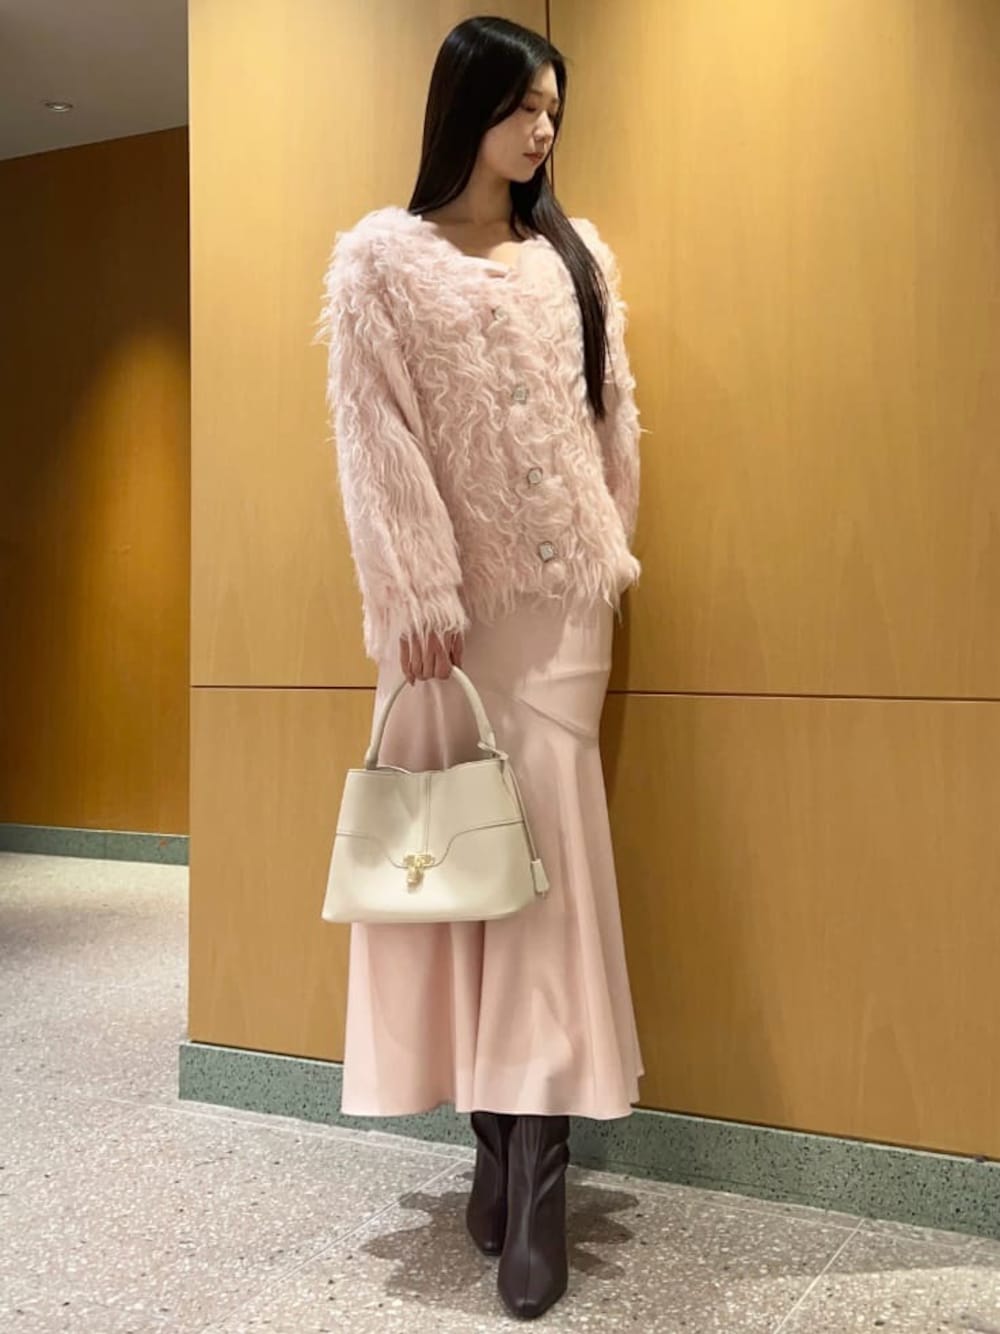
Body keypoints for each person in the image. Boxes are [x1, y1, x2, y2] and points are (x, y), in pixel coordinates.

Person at [314, 15, 646, 1322]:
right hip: (448, 630)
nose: (543, 130)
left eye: (555, 109)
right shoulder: (380, 264)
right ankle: (491, 1138)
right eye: (523, 107)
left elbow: (611, 426)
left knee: (547, 892)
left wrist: (603, 551)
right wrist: (415, 592)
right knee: (465, 883)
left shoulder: (576, 258)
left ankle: (540, 1172)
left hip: (563, 619)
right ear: (467, 108)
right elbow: (375, 442)